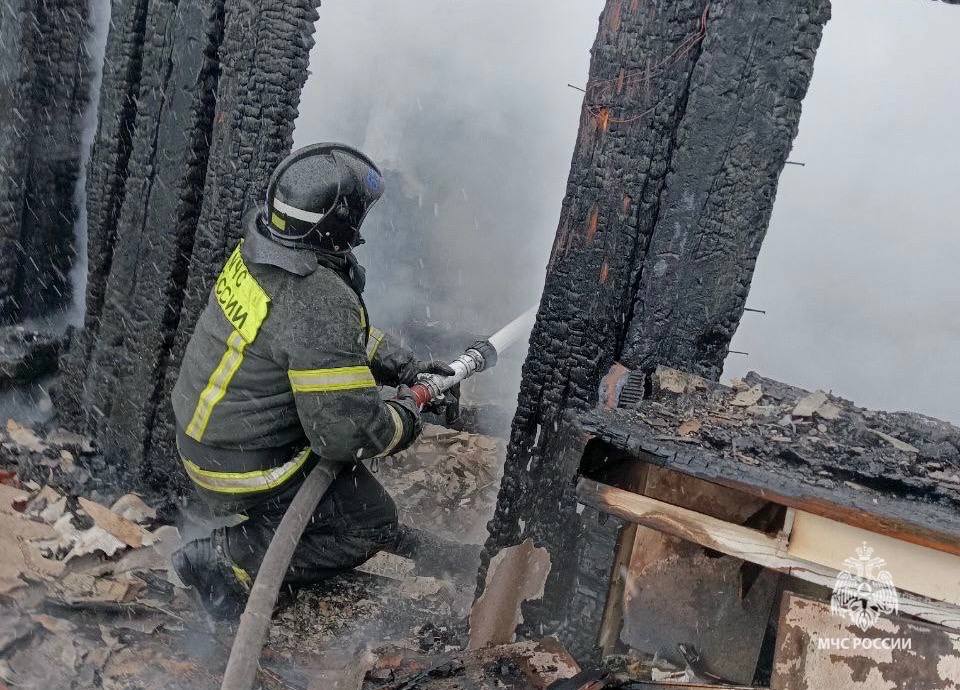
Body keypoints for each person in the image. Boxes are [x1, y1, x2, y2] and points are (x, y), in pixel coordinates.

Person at [170, 143, 464, 618]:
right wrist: (409, 414)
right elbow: (346, 434)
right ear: (336, 226)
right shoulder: (315, 298)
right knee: (367, 523)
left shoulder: (264, 245)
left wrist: (399, 363)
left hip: (208, 436)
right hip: (245, 465)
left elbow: (321, 342)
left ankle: (253, 534)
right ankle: (229, 557)